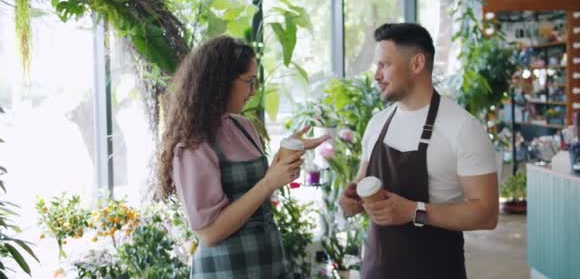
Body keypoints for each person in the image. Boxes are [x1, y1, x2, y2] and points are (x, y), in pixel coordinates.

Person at [157, 35, 329, 278]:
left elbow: (258, 190)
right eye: (249, 81)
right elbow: (209, 234)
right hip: (225, 270)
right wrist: (270, 182)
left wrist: (287, 152)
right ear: (221, 81)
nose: (253, 91)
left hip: (267, 263)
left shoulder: (243, 127)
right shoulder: (193, 144)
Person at [339, 23, 499, 278]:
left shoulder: (463, 128)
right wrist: (350, 200)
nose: (376, 76)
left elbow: (487, 214)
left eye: (384, 65)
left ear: (417, 64)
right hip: (377, 269)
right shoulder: (377, 124)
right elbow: (361, 184)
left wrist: (414, 211)